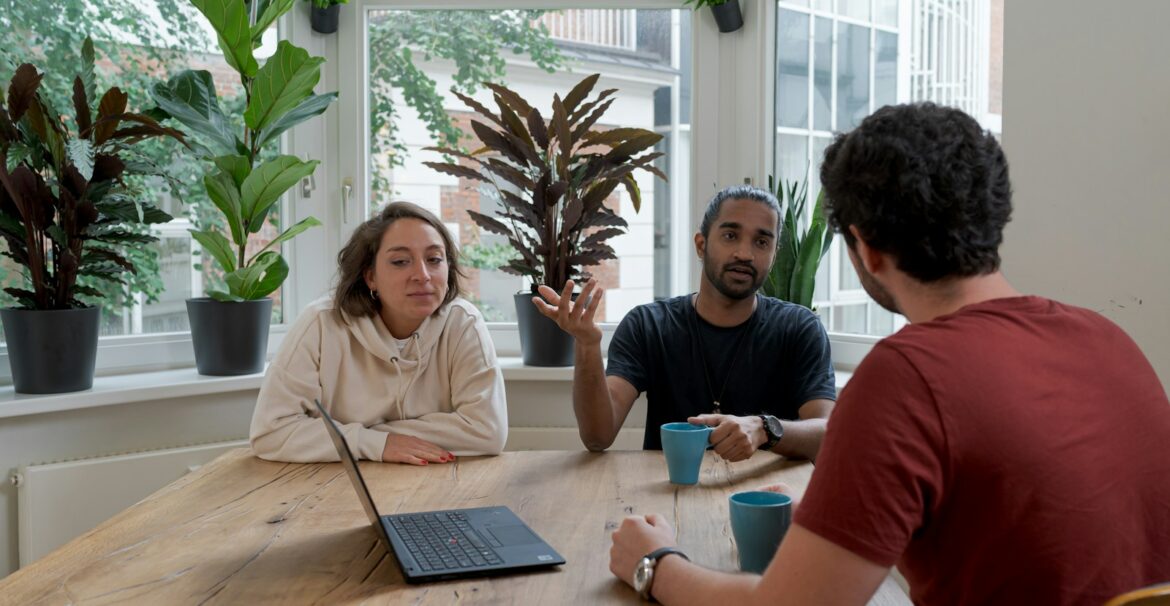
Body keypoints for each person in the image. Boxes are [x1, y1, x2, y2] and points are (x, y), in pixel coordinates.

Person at [607, 103, 1170, 605]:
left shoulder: (907, 377)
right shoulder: (1110, 340)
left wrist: (655, 564)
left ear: (866, 250)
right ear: (993, 217)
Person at [535, 185, 836, 462]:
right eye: (730, 235)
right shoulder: (648, 325)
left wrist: (764, 429)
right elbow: (597, 437)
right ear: (701, 245)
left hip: (764, 501)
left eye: (761, 241)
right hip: (668, 500)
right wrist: (587, 346)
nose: (745, 253)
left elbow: (828, 435)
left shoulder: (800, 328)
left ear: (774, 254)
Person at [250, 202, 508, 464]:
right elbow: (271, 432)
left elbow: (488, 432)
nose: (423, 275)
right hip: (333, 486)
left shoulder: (463, 323)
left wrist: (359, 437)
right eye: (400, 262)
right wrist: (374, 444)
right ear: (370, 276)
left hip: (437, 481)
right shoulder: (321, 323)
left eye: (434, 259)